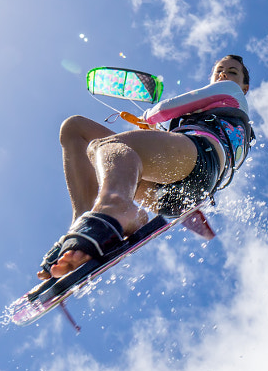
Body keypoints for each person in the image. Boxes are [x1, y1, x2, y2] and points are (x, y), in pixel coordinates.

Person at [38, 55, 254, 280]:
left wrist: (149, 118)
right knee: (75, 128)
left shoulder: (231, 92)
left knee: (109, 147)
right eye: (219, 70)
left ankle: (116, 208)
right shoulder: (213, 113)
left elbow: (168, 108)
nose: (224, 74)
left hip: (200, 158)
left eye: (232, 72)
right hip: (174, 194)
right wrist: (158, 135)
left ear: (244, 87)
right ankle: (82, 224)